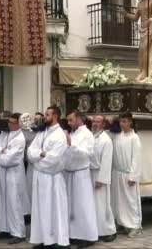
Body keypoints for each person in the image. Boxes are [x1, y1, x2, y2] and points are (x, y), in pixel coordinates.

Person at [28, 106, 70, 248]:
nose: (44, 117)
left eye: (47, 115)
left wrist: (37, 161)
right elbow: (30, 152)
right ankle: (41, 238)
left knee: (52, 209)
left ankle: (54, 240)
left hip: (52, 178)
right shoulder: (42, 132)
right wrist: (40, 154)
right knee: (40, 209)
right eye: (45, 114)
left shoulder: (59, 135)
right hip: (40, 177)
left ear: (56, 116)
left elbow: (54, 159)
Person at [0, 113, 27, 244]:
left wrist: (2, 153)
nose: (9, 124)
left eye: (12, 123)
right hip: (3, 171)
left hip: (14, 173)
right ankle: (4, 229)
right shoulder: (5, 134)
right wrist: (2, 151)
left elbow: (11, 158)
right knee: (2, 199)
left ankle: (18, 232)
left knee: (14, 201)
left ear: (19, 124)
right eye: (9, 122)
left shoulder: (20, 138)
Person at [64, 111, 98, 247]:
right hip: (69, 173)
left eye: (71, 120)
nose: (69, 123)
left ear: (79, 119)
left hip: (81, 174)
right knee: (72, 206)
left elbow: (88, 152)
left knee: (82, 205)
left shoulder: (87, 134)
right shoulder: (73, 133)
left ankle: (88, 236)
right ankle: (73, 234)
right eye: (68, 120)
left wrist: (71, 144)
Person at [111, 112, 143, 237]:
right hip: (118, 173)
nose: (122, 124)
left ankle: (135, 226)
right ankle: (123, 223)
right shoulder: (118, 136)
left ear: (130, 122)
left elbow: (137, 158)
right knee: (119, 201)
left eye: (124, 121)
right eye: (120, 121)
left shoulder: (134, 138)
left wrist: (133, 176)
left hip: (128, 174)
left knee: (131, 201)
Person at [90, 115, 116, 242]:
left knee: (102, 204)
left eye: (98, 121)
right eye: (94, 121)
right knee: (92, 204)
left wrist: (101, 179)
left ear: (103, 124)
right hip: (89, 173)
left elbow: (107, 161)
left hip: (100, 175)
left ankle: (108, 231)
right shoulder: (90, 136)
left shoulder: (106, 140)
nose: (95, 123)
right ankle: (95, 229)